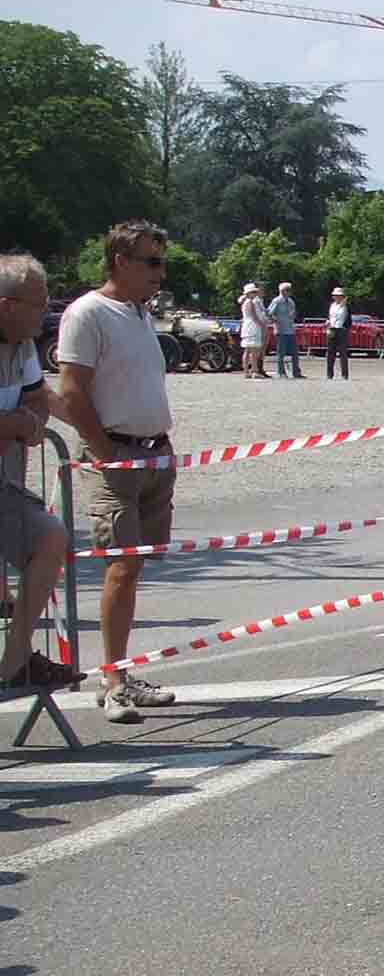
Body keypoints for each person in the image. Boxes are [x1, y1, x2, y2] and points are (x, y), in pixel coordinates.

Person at [56, 220, 180, 723]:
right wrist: (103, 449)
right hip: (118, 458)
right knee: (121, 566)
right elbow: (71, 389)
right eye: (151, 261)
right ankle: (113, 682)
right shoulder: (88, 313)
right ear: (119, 262)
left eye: (161, 262)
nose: (160, 272)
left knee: (136, 565)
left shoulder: (139, 312)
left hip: (154, 455)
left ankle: (123, 672)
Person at [0, 253, 82, 690]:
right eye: (39, 303)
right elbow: (25, 418)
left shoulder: (24, 345)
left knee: (51, 535)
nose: (47, 311)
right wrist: (18, 425)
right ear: (7, 305)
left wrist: (24, 423)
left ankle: (13, 663)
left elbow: (36, 401)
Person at [267, 281, 302, 379]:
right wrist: (276, 321)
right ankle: (281, 372)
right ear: (282, 291)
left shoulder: (291, 301)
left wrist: (293, 316)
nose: (290, 292)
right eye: (287, 290)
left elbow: (294, 313)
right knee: (281, 353)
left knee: (295, 352)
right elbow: (269, 313)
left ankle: (296, 372)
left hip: (290, 329)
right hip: (280, 330)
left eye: (290, 290)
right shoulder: (276, 301)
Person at [239, 282, 269, 379]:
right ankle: (254, 371)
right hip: (252, 326)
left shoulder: (245, 302)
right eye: (253, 292)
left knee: (247, 350)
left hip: (247, 325)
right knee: (254, 351)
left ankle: (246, 371)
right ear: (248, 294)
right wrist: (261, 324)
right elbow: (254, 316)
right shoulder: (250, 302)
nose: (255, 294)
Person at [325, 286, 351, 380]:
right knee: (330, 353)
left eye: (339, 295)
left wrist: (346, 328)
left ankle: (344, 374)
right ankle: (329, 374)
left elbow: (348, 320)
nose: (337, 297)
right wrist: (328, 323)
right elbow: (330, 317)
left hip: (341, 330)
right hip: (332, 329)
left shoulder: (346, 306)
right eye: (335, 295)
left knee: (343, 353)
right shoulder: (332, 305)